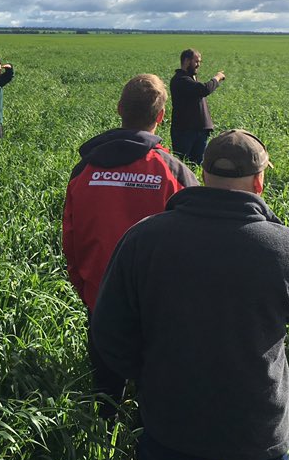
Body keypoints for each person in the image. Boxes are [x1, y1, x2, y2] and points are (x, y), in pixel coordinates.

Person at [93, 130, 289, 460]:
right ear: (259, 182)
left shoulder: (144, 238)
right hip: (257, 425)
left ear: (200, 174)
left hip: (170, 418)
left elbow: (107, 330)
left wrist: (145, 377)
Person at [63, 74, 198, 407]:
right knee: (155, 388)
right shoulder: (172, 171)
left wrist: (86, 289)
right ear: (161, 116)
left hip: (101, 297)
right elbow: (198, 241)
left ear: (120, 109)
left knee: (105, 389)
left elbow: (71, 236)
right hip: (159, 304)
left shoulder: (85, 169)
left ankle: (100, 447)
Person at [169, 48, 225, 164]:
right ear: (186, 61)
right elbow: (204, 89)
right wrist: (217, 78)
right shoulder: (180, 80)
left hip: (199, 130)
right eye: (196, 61)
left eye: (199, 62)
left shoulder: (190, 79)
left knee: (197, 164)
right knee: (182, 164)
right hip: (184, 131)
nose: (198, 65)